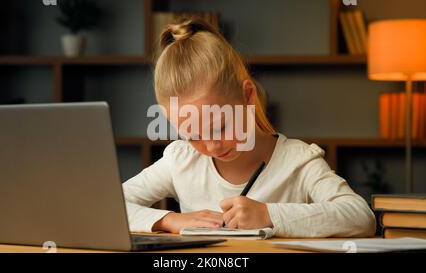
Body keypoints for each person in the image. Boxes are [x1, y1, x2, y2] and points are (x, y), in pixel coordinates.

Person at [122, 18, 376, 238]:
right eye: (193, 136)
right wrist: (169, 220)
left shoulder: (298, 161)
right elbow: (107, 205)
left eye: (221, 127)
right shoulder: (181, 160)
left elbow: (360, 217)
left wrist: (269, 215)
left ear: (248, 95)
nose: (211, 146)